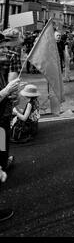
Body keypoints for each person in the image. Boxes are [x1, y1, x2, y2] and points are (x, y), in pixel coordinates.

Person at [0, 29, 22, 171]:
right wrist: (8, 91)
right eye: (1, 47)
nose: (4, 50)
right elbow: (10, 90)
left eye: (5, 46)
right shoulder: (12, 56)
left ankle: (2, 162)